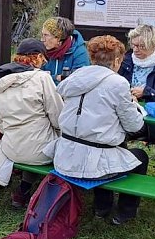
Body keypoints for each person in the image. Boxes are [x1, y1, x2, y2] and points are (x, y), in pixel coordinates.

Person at [43, 35, 149, 225]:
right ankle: (124, 212)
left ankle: (102, 207)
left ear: (92, 58)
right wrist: (134, 107)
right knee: (138, 155)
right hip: (92, 161)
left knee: (108, 148)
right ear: (117, 60)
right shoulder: (118, 83)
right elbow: (135, 126)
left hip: (64, 155)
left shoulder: (75, 77)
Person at [0, 38, 63, 208]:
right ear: (37, 57)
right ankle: (52, 194)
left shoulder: (0, 81)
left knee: (32, 139)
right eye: (43, 59)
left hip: (11, 149)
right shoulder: (42, 79)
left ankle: (23, 189)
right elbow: (58, 117)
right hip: (41, 151)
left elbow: (0, 125)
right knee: (57, 139)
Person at [117, 24, 155, 141]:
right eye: (133, 45)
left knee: (115, 133)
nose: (135, 49)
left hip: (154, 120)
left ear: (153, 45)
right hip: (126, 112)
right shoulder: (125, 60)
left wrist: (147, 92)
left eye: (141, 46)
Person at [40, 16, 89, 83]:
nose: (42, 39)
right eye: (42, 34)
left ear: (58, 38)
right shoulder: (43, 49)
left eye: (46, 35)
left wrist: (48, 78)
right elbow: (37, 76)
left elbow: (79, 81)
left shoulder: (79, 52)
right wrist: (56, 77)